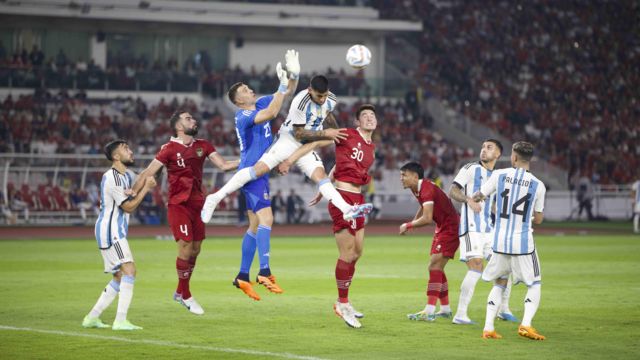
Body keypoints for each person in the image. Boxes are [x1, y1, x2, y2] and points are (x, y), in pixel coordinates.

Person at [200, 75, 372, 224]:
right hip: (288, 139)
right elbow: (298, 133)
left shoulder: (330, 99)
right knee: (257, 170)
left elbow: (326, 112)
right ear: (310, 90)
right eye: (319, 96)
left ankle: (347, 209)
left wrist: (336, 133)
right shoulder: (300, 101)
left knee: (321, 177)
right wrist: (326, 133)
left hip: (307, 143)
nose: (322, 99)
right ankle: (214, 198)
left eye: (325, 96)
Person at [279, 104, 378, 329]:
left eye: (372, 115)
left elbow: (337, 166)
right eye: (365, 115)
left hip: (359, 201)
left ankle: (345, 300)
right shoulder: (347, 134)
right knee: (347, 252)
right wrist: (290, 161)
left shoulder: (371, 146)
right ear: (358, 122)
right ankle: (341, 303)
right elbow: (315, 142)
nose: (370, 118)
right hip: (343, 198)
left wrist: (324, 187)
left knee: (358, 252)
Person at [132, 110, 238, 315]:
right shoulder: (168, 149)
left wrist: (250, 163)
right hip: (178, 204)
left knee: (196, 249)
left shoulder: (203, 145)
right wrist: (132, 191)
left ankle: (179, 291)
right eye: (188, 119)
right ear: (179, 127)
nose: (194, 120)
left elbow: (224, 166)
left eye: (193, 118)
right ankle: (187, 295)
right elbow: (148, 172)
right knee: (186, 246)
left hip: (198, 204)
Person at [226, 51, 299, 300]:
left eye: (248, 87)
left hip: (259, 170)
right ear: (239, 100)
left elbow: (286, 92)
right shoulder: (243, 115)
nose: (250, 90)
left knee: (255, 225)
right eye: (245, 90)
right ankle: (264, 271)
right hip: (252, 172)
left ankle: (242, 276)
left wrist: (294, 73)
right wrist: (280, 86)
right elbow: (271, 113)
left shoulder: (258, 103)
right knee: (267, 219)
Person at [471, 141, 547, 340]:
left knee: (500, 283)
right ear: (529, 159)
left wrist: (477, 199)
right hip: (522, 242)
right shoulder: (538, 185)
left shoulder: (499, 175)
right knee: (535, 283)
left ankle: (488, 327)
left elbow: (478, 196)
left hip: (499, 241)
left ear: (513, 157)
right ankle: (526, 324)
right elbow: (538, 219)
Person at [82, 139, 157, 331]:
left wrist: (159, 163)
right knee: (130, 271)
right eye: (126, 149)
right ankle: (120, 321)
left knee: (118, 277)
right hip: (111, 230)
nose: (131, 151)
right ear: (116, 156)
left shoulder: (125, 175)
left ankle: (92, 318)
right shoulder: (113, 178)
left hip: (111, 230)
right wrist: (146, 190)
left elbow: (139, 178)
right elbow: (129, 207)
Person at [448, 139, 517, 325]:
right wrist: (468, 200)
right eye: (483, 147)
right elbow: (453, 190)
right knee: (476, 266)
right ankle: (460, 314)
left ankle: (504, 309)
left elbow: (492, 204)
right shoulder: (470, 168)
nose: (484, 150)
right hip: (471, 228)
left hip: (490, 231)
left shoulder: (497, 176)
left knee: (505, 267)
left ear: (497, 154)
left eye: (489, 148)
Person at [399, 162, 460, 322]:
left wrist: (408, 224)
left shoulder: (426, 189)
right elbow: (423, 207)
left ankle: (429, 310)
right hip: (442, 226)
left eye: (404, 175)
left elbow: (427, 218)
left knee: (434, 266)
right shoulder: (417, 188)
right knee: (437, 267)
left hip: (450, 227)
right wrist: (413, 222)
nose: (401, 178)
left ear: (415, 176)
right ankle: (445, 309)